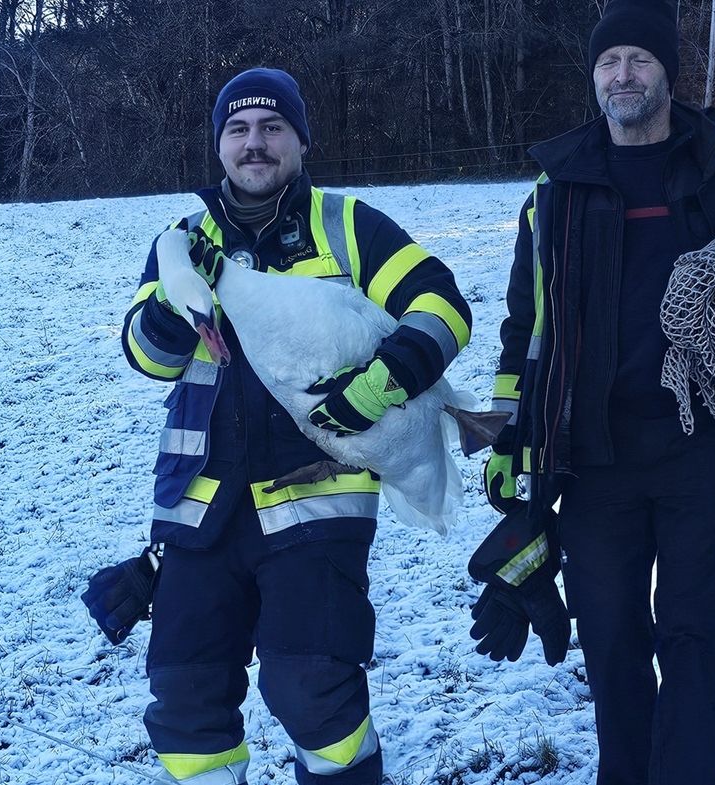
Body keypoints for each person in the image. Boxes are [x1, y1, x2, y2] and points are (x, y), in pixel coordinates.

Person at [120, 67, 472, 785]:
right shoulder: (182, 240)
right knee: (186, 694)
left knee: (312, 686)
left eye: (272, 127)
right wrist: (169, 307)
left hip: (313, 507)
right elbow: (145, 357)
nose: (255, 144)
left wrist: (379, 385)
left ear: (300, 140)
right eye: (238, 129)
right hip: (198, 511)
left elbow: (442, 305)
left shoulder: (347, 227)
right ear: (218, 146)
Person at [475, 2, 715, 784]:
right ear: (593, 78)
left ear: (665, 72)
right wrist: (513, 438)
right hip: (594, 457)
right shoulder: (556, 186)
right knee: (610, 636)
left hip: (702, 449)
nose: (623, 75)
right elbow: (527, 326)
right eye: (608, 62)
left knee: (690, 631)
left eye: (638, 61)